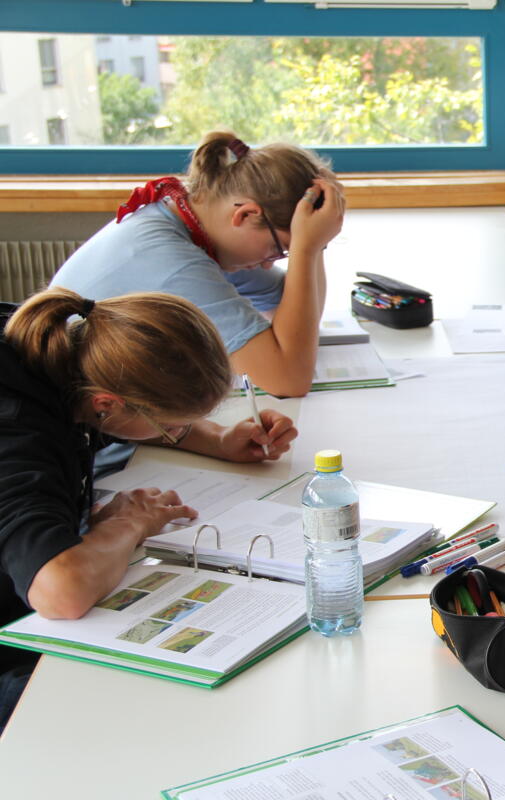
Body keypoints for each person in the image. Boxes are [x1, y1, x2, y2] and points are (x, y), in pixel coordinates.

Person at [0, 288, 297, 731]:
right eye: (172, 426)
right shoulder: (20, 438)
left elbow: (125, 415)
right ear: (106, 403)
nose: (179, 433)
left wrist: (217, 438)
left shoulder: (64, 348)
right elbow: (60, 592)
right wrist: (130, 522)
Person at [52, 131, 346, 398]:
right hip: (93, 435)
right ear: (244, 215)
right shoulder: (174, 263)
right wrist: (306, 249)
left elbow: (290, 303)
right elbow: (287, 380)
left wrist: (312, 244)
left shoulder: (195, 223)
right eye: (276, 249)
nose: (270, 265)